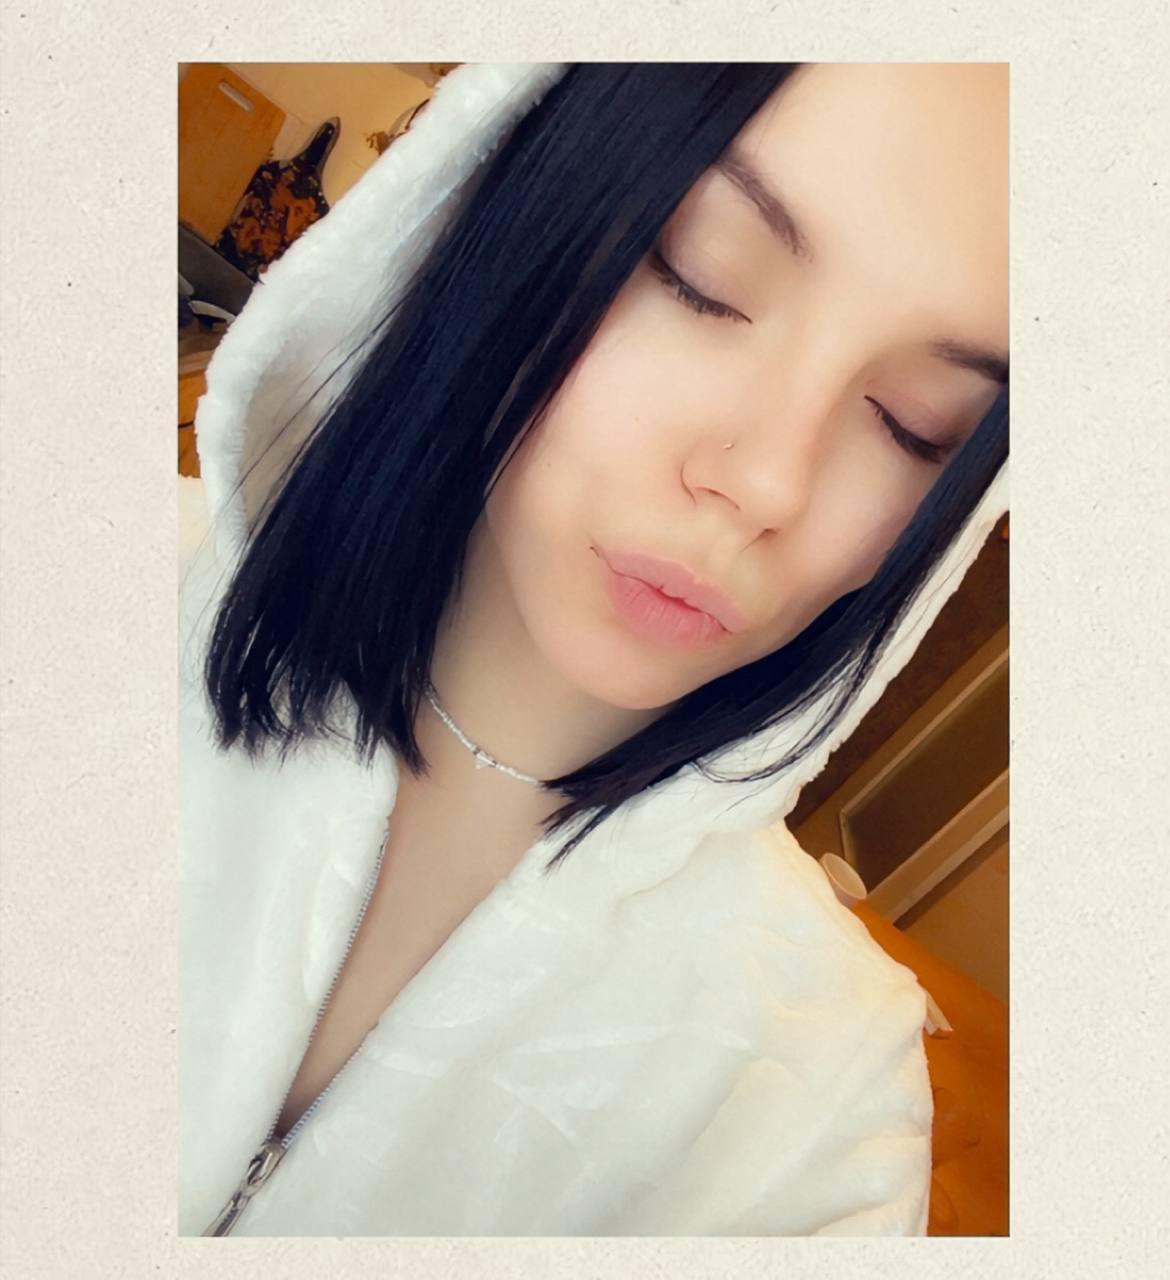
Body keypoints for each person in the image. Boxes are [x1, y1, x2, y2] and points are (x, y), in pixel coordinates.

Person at [178, 61, 1008, 1236]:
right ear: (529, 192)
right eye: (704, 280)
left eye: (915, 424)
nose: (768, 482)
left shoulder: (817, 1104)